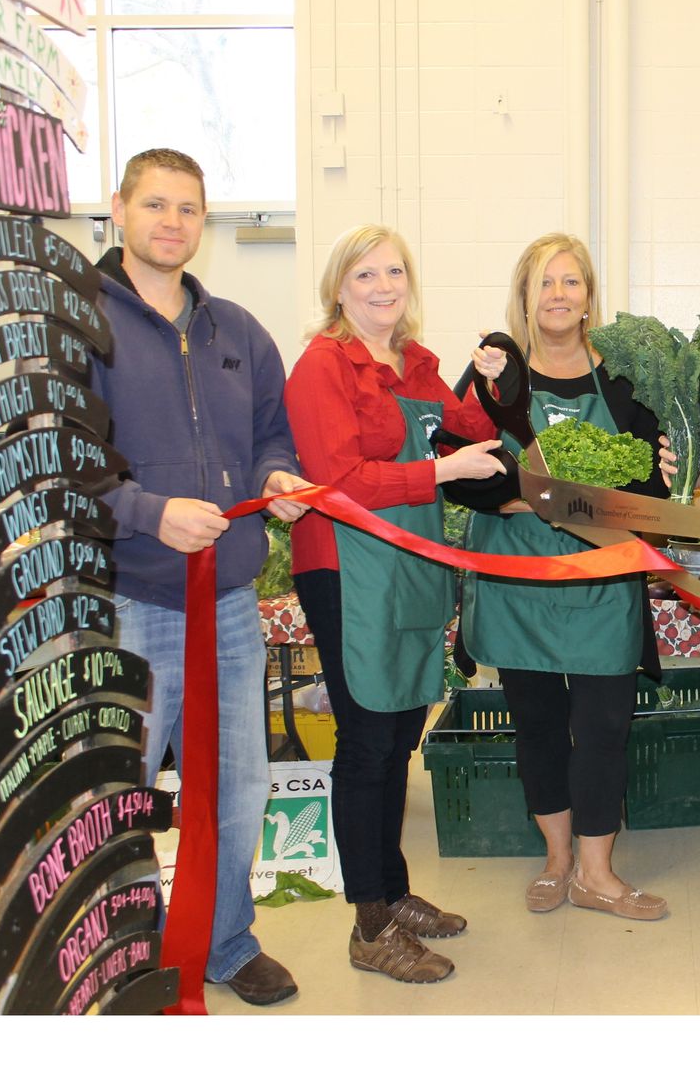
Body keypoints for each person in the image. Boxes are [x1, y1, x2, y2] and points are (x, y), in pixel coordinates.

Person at [89, 148, 314, 1005]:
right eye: (155, 204)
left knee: (237, 786)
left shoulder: (238, 332)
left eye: (187, 208)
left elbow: (270, 436)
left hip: (227, 601)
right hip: (131, 600)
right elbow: (62, 463)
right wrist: (150, 513)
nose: (172, 222)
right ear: (119, 210)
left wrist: (276, 479)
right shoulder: (81, 327)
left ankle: (225, 942)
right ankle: (124, 953)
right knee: (123, 792)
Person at [284, 225, 510, 984]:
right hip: (347, 566)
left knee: (398, 737)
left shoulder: (415, 364)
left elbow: (470, 431)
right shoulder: (323, 365)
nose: (383, 287)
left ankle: (392, 889)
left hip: (409, 563)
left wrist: (486, 382)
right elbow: (338, 480)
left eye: (394, 272)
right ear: (339, 288)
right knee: (366, 741)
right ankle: (369, 924)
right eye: (365, 275)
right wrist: (441, 472)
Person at [458, 232, 671, 921]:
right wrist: (537, 499)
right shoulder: (492, 376)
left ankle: (596, 872)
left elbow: (647, 484)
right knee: (538, 724)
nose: (558, 294)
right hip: (517, 579)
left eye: (571, 281)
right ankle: (556, 860)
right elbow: (460, 471)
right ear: (525, 295)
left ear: (588, 297)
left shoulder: (624, 382)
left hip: (601, 579)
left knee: (605, 725)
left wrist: (652, 478)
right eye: (544, 282)